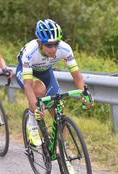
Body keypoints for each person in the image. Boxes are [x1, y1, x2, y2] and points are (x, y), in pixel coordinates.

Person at [16, 18, 91, 147]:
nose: (53, 49)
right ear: (39, 42)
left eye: (56, 44)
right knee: (38, 90)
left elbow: (77, 77)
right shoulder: (30, 52)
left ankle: (64, 154)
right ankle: (32, 126)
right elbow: (28, 85)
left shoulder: (65, 49)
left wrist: (84, 93)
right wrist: (35, 109)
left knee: (58, 109)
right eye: (48, 45)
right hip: (26, 73)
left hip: (46, 73)